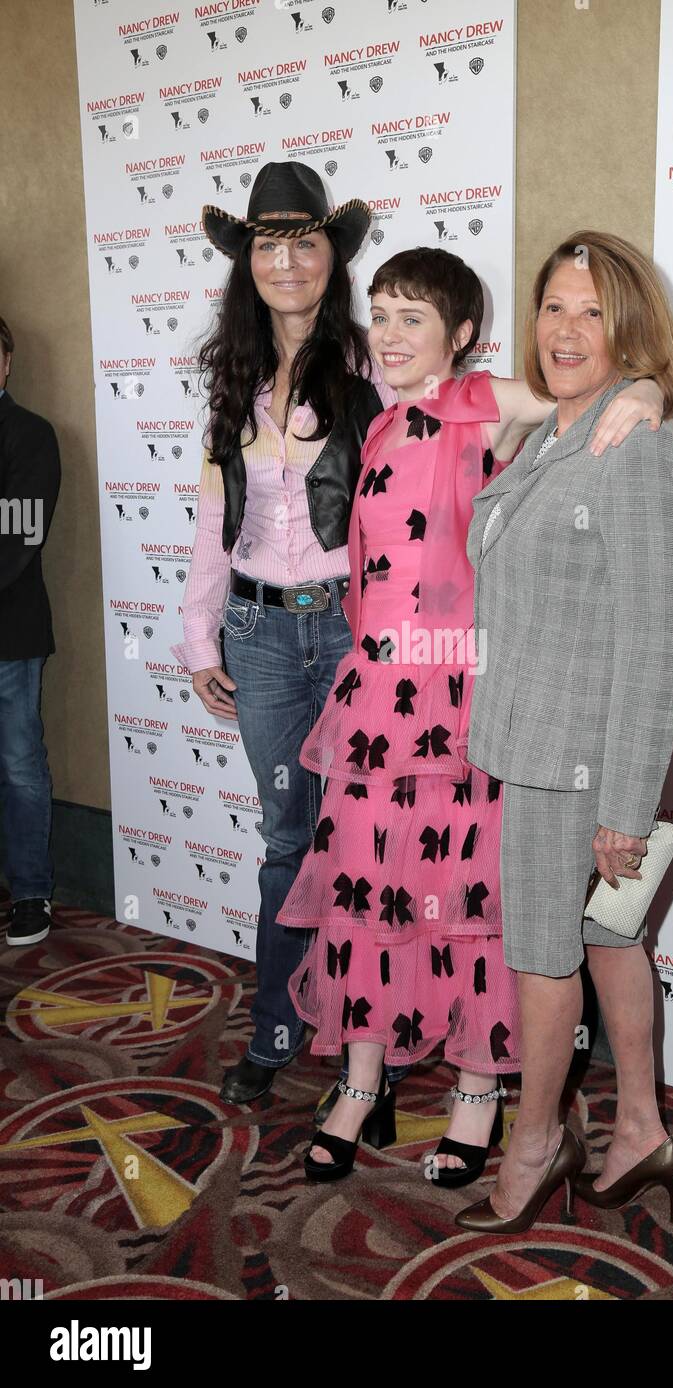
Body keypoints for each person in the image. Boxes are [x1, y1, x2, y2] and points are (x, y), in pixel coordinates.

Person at [274, 247, 666, 1184]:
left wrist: (646, 392)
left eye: (414, 316)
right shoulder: (376, 426)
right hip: (375, 700)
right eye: (381, 313)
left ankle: (480, 1095)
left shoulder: (480, 402)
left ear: (461, 334)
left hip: (458, 701)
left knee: (471, 907)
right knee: (366, 891)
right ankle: (362, 1084)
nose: (392, 333)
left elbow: (604, 379)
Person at [456, 231, 673, 1232]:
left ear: (629, 326)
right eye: (553, 305)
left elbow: (654, 642)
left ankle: (533, 1143)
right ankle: (639, 1127)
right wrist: (639, 386)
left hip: (574, 759)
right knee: (608, 936)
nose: (564, 329)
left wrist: (623, 809)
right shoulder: (563, 425)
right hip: (540, 738)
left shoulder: (632, 447)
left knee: (545, 955)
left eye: (592, 311)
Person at [172, 161, 410, 1109]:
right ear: (248, 263)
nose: (286, 260)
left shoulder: (370, 363)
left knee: (365, 839)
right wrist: (200, 637)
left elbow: (413, 493)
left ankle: (371, 1053)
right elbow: (211, 516)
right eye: (268, 244)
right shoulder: (230, 372)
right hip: (260, 637)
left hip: (352, 634)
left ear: (331, 256)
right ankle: (278, 1024)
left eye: (304, 241)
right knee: (284, 840)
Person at [0, 315, 61, 947]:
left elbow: (17, 535)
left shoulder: (28, 434)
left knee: (19, 765)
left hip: (9, 637)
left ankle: (30, 892)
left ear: (7, 361)